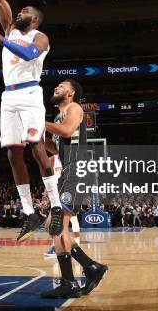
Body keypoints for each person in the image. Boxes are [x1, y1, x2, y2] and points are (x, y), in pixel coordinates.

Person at [0, 0, 62, 242]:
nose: (18, 13)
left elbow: (29, 55)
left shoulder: (39, 37)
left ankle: (55, 205)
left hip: (30, 94)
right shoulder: (11, 28)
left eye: (24, 13)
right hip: (8, 96)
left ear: (35, 20)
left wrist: (2, 40)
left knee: (36, 148)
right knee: (12, 152)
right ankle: (30, 211)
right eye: (19, 12)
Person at [40, 80, 108, 298]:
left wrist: (41, 123)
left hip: (77, 170)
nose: (56, 88)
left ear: (70, 93)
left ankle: (69, 281)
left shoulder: (74, 108)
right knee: (52, 224)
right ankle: (91, 267)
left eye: (61, 86)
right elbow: (55, 148)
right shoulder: (58, 117)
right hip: (67, 170)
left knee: (58, 223)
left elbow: (68, 131)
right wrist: (38, 140)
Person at [44, 154, 81, 256]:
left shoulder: (70, 157)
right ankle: (68, 247)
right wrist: (46, 191)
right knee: (53, 224)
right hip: (56, 193)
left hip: (68, 190)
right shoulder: (52, 159)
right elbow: (48, 177)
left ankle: (74, 244)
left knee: (69, 221)